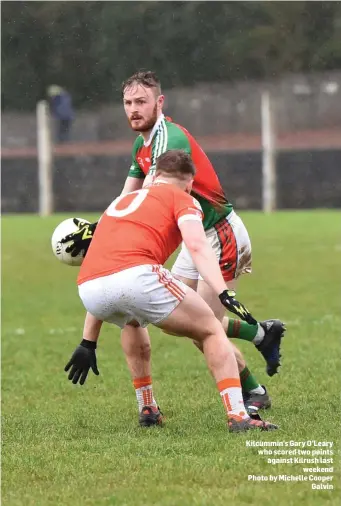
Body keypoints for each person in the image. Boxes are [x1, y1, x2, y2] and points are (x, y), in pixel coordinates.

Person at [61, 70, 286, 416]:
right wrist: (100, 228)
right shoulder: (142, 143)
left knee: (204, 326)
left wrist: (109, 235)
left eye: (141, 102)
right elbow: (128, 197)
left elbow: (153, 200)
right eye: (128, 103)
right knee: (183, 321)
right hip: (189, 234)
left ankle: (253, 391)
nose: (133, 110)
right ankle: (261, 335)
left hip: (216, 234)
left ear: (159, 102)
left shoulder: (169, 140)